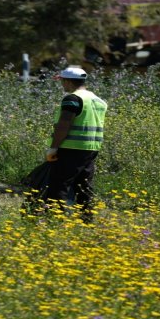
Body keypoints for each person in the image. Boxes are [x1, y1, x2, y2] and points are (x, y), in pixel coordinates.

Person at [43, 66, 108, 222]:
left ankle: (55, 220)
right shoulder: (99, 100)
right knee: (83, 186)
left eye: (62, 82)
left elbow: (64, 124)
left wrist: (54, 147)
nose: (62, 85)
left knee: (59, 185)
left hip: (70, 148)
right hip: (91, 149)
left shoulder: (72, 99)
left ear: (67, 81)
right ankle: (86, 220)